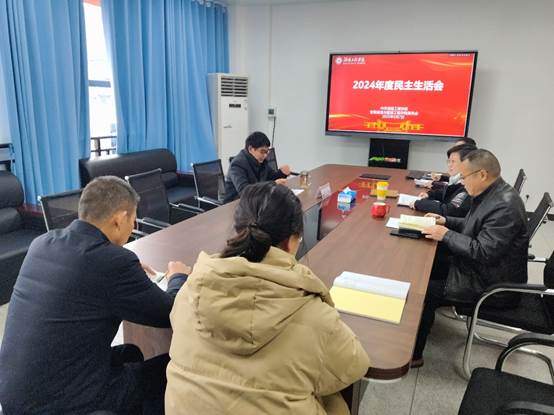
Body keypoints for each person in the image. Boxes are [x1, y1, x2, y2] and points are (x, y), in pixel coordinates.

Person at [166, 182, 370, 414]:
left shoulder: (190, 291)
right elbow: (355, 365)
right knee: (331, 397)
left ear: (237, 231)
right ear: (292, 241)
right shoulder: (314, 316)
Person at [0, 176, 190, 414]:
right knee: (170, 370)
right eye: (132, 219)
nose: (133, 226)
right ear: (119, 219)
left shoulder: (43, 243)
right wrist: (177, 276)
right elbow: (170, 312)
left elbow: (83, 277)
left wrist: (124, 270)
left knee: (130, 353)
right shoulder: (112, 263)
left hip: (15, 395)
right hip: (58, 404)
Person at [411, 149, 529, 367]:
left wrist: (446, 234)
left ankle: (413, 355)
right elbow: (472, 224)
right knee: (423, 266)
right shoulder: (491, 193)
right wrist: (445, 220)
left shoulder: (505, 206)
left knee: (423, 290)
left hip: (491, 286)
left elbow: (483, 252)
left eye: (464, 177)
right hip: (477, 270)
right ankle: (418, 327)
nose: (462, 182)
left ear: (482, 174)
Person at [223, 131, 292, 203]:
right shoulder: (237, 164)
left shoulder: (261, 161)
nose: (265, 156)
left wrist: (282, 173)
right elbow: (244, 191)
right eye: (262, 152)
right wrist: (272, 184)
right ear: (250, 149)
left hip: (255, 200)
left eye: (267, 152)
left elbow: (271, 177)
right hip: (235, 203)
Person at [410, 144, 476, 217]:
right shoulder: (456, 180)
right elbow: (448, 194)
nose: (449, 165)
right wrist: (430, 194)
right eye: (449, 161)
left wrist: (420, 204)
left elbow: (449, 210)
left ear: (466, 164)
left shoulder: (468, 186)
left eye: (453, 161)